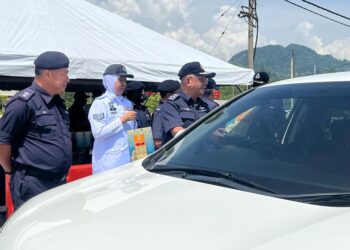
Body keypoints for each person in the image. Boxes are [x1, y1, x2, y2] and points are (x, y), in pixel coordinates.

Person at [0, 51, 71, 209]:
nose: (68, 79)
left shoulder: (57, 103)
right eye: (65, 73)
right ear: (48, 74)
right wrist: (10, 170)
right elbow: (3, 141)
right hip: (33, 185)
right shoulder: (23, 103)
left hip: (58, 181)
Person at [88, 64, 137, 174]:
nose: (123, 84)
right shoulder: (100, 103)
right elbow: (98, 133)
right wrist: (121, 120)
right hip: (109, 164)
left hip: (128, 162)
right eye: (120, 80)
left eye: (125, 81)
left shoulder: (127, 103)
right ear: (109, 80)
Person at [160, 61, 216, 144]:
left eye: (206, 80)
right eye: (202, 79)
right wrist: (207, 134)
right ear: (189, 81)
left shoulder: (209, 105)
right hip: (183, 155)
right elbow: (178, 132)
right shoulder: (171, 104)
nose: (205, 83)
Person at [151, 79, 180, 149]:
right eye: (177, 93)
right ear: (169, 95)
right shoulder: (160, 111)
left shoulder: (174, 108)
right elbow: (157, 142)